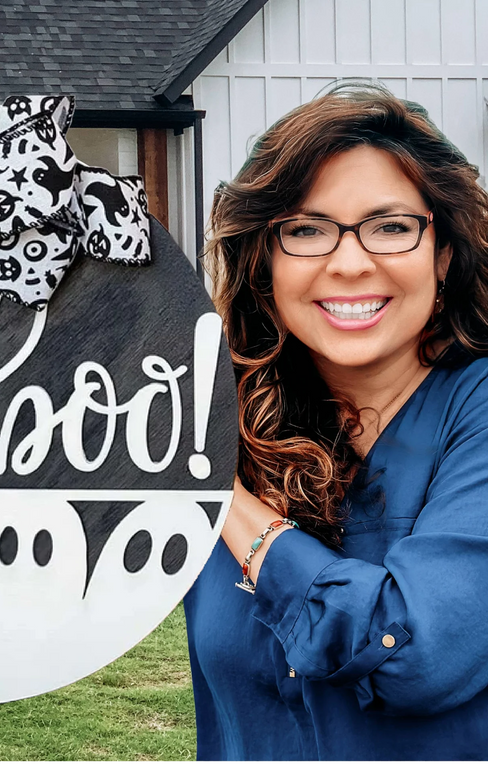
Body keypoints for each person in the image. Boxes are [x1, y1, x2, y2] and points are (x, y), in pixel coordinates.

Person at [184, 82, 488, 762]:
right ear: (265, 262)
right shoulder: (217, 417)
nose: (350, 263)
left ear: (442, 255)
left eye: (390, 226)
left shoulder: (476, 412)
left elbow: (411, 653)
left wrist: (219, 494)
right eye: (307, 230)